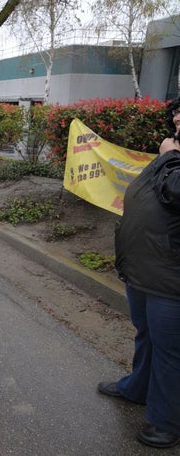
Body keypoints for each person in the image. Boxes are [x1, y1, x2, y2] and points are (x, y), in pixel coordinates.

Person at [96, 98, 180, 449]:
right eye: (177, 112)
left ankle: (166, 422)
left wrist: (168, 156)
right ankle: (138, 388)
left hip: (171, 278)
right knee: (146, 335)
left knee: (170, 350)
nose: (178, 117)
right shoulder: (173, 154)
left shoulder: (171, 156)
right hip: (145, 271)